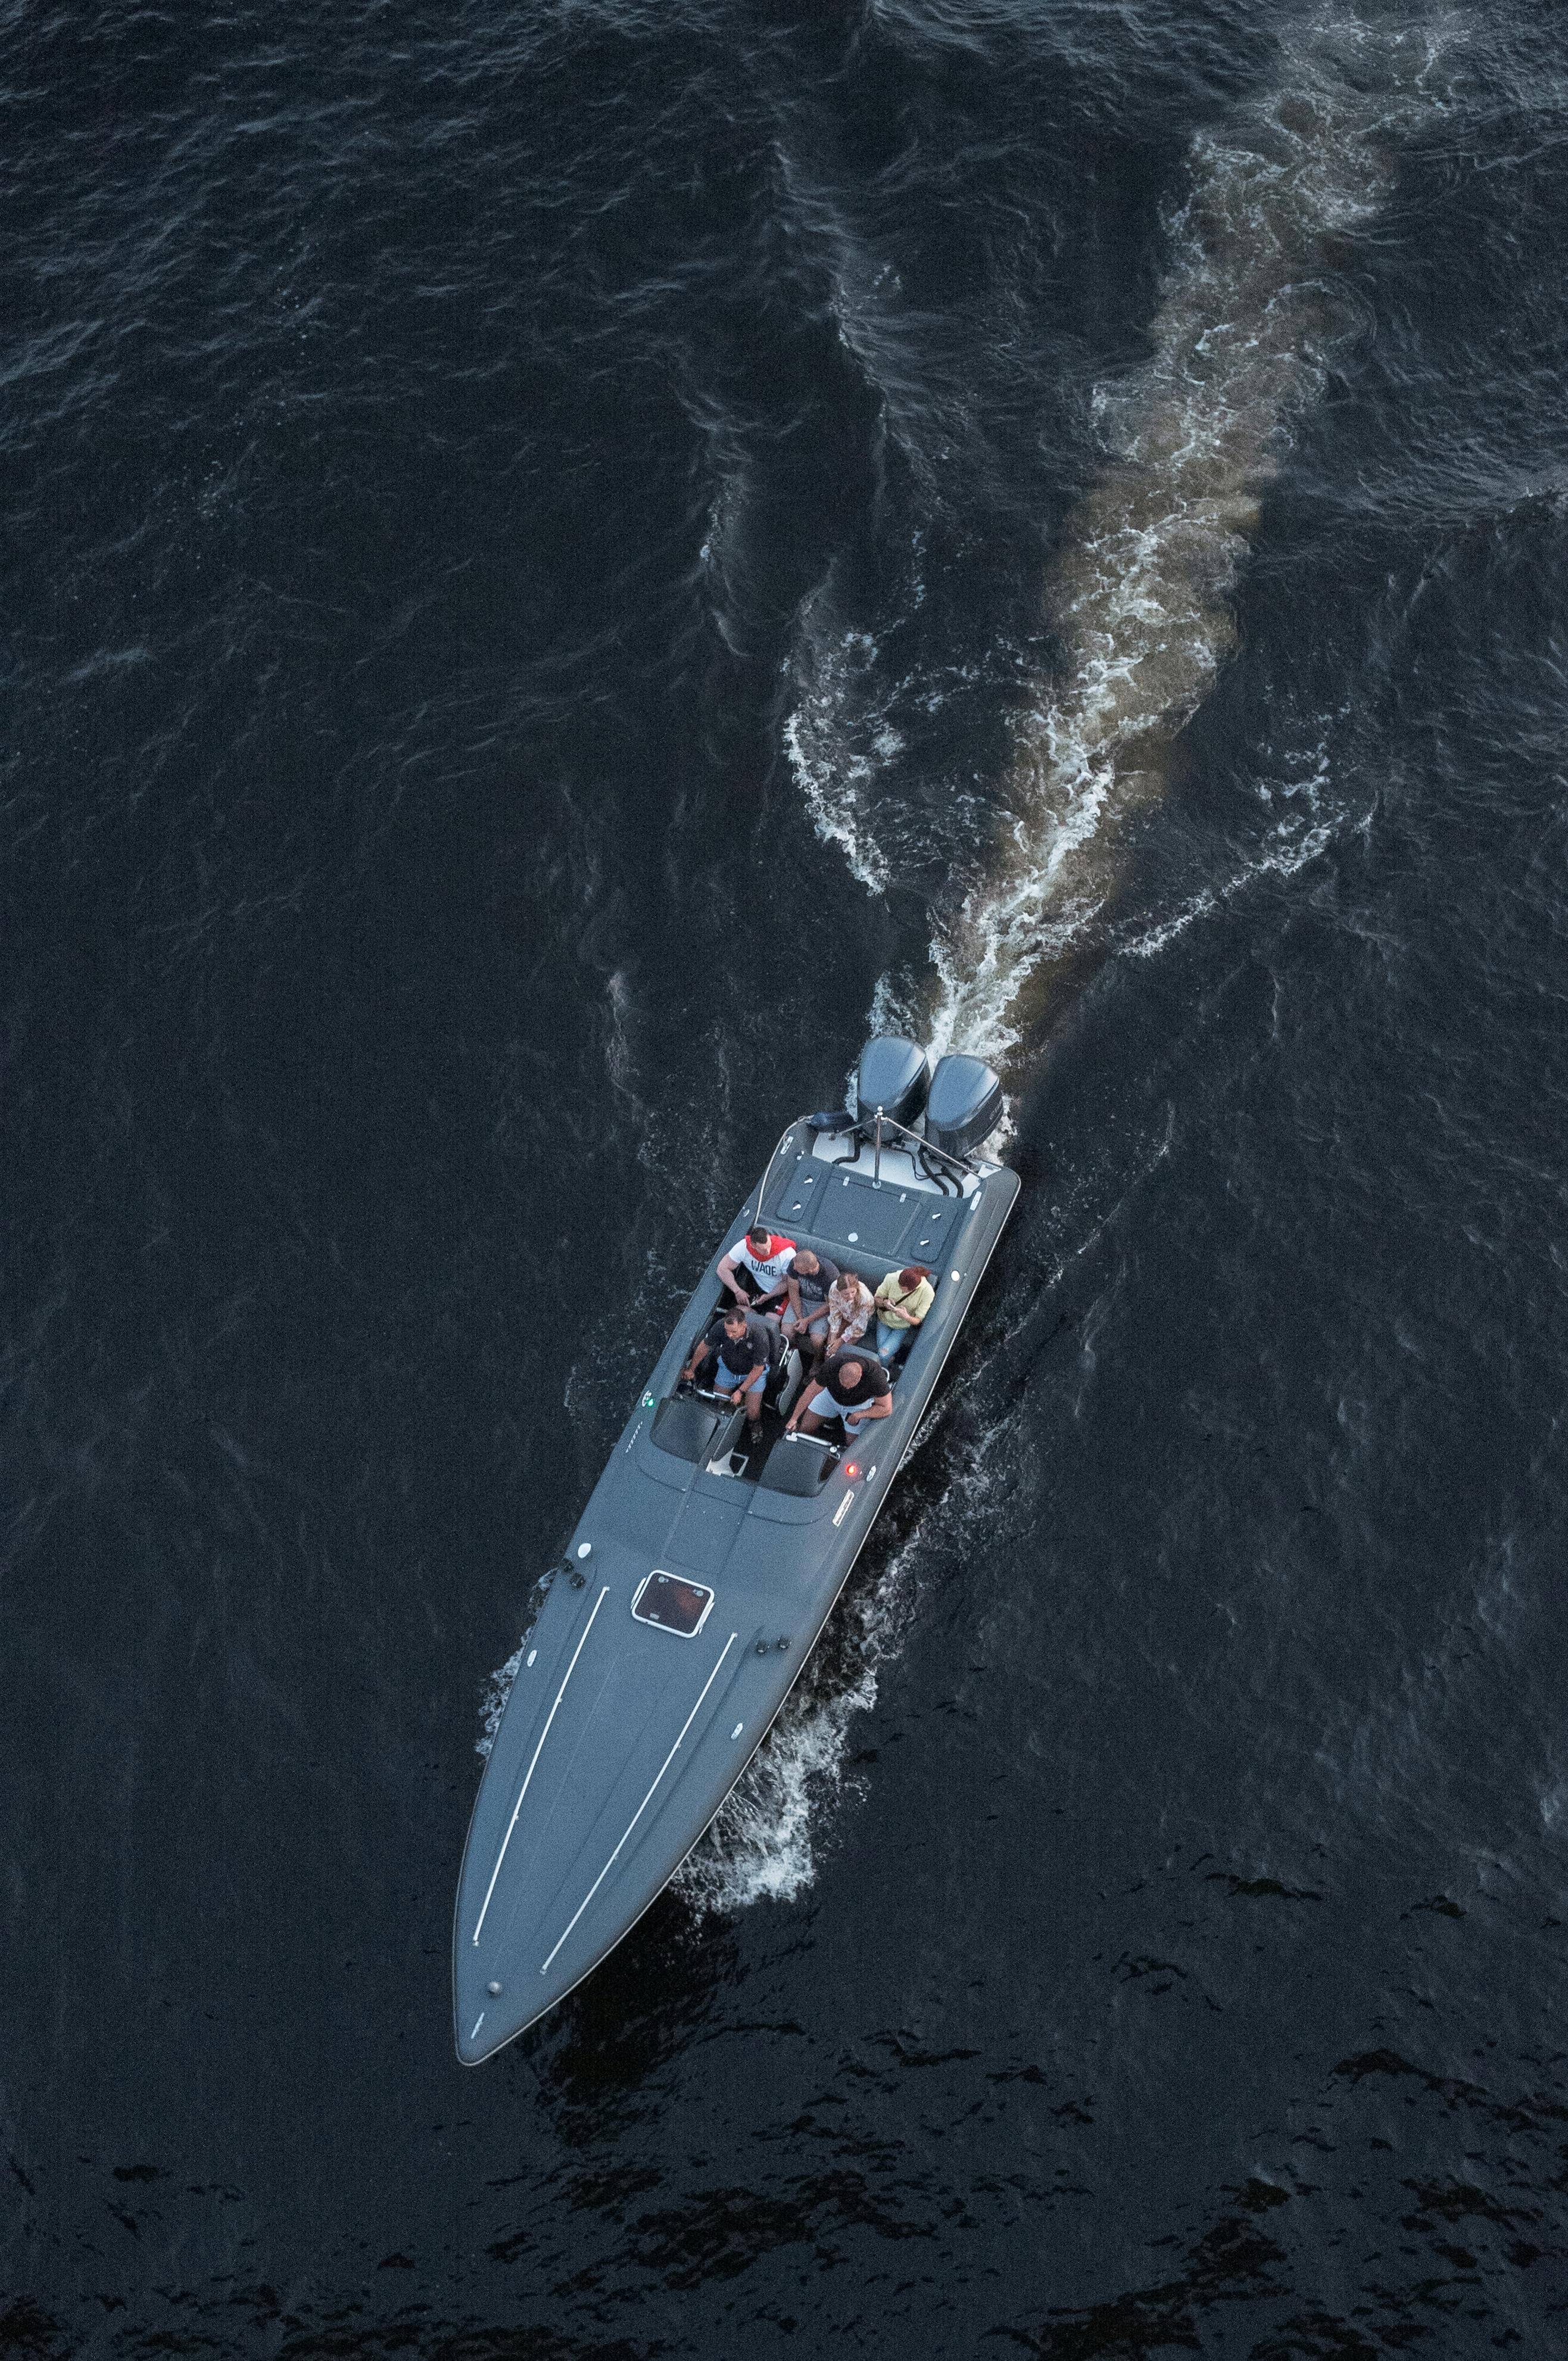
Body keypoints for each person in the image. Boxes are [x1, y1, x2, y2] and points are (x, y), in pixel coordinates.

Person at [682, 1306, 769, 1428]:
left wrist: (740, 1391)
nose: (729, 1335)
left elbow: (758, 1369)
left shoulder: (759, 1336)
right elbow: (705, 1346)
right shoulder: (720, 1326)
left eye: (734, 1332)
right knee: (718, 1400)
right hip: (728, 1368)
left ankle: (755, 1427)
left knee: (753, 1413)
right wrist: (691, 1369)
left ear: (744, 1325)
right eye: (727, 1331)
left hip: (752, 1373)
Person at [785, 1348, 893, 1443]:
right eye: (843, 1383)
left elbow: (886, 1408)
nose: (846, 1388)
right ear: (839, 1372)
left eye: (849, 1386)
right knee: (805, 1429)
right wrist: (794, 1418)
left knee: (852, 1445)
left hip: (858, 1405)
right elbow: (811, 1392)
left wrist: (860, 1414)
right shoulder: (832, 1364)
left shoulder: (875, 1376)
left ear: (860, 1377)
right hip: (830, 1396)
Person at [716, 1225, 796, 1317]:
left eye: (769, 1246)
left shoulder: (786, 1253)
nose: (768, 1252)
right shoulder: (743, 1247)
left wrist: (769, 1296)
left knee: (771, 1321)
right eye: (763, 1250)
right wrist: (737, 1291)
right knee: (739, 1313)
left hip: (778, 1292)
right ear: (753, 1246)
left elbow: (788, 1283)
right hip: (756, 1287)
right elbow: (722, 1268)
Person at [781, 1247, 839, 1366]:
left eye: (798, 1269)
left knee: (817, 1340)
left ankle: (818, 1360)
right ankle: (792, 1354)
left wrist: (807, 1321)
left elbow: (830, 1305)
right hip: (801, 1300)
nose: (794, 1269)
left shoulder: (829, 1275)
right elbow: (793, 1290)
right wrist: (800, 1318)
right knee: (786, 1332)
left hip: (822, 1305)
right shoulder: (795, 1264)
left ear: (808, 1270)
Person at [874, 1264, 935, 1361]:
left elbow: (918, 1320)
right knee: (884, 1354)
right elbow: (876, 1299)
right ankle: (889, 1364)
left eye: (904, 1290)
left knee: (883, 1354)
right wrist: (884, 1302)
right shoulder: (891, 1278)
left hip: (902, 1327)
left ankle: (884, 1368)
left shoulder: (928, 1292)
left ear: (913, 1289)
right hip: (884, 1320)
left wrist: (906, 1317)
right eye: (900, 1286)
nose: (901, 1290)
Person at [821, 1267, 874, 1358]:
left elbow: (859, 1325)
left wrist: (840, 1341)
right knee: (830, 1345)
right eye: (846, 1294)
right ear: (839, 1291)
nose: (850, 1296)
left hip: (861, 1324)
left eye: (853, 1292)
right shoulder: (834, 1288)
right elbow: (835, 1311)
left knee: (842, 1349)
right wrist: (833, 1335)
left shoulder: (866, 1298)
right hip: (844, 1316)